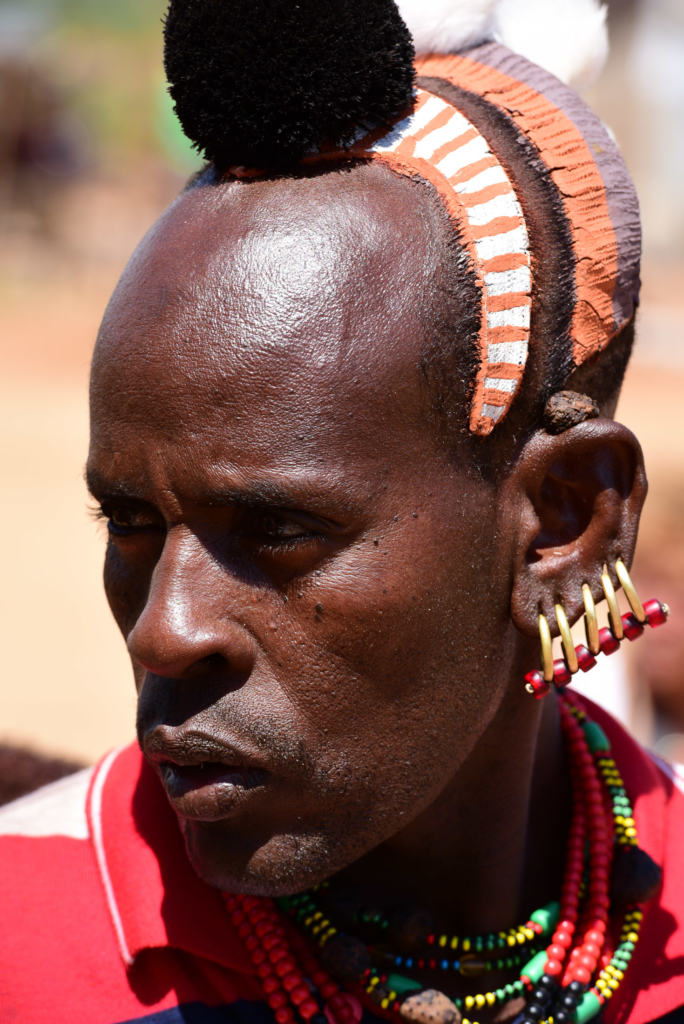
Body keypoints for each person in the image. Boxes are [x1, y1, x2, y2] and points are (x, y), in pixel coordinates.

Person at [1, 1, 683, 1023]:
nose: (164, 629)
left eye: (276, 530)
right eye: (131, 524)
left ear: (563, 522)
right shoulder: (33, 948)